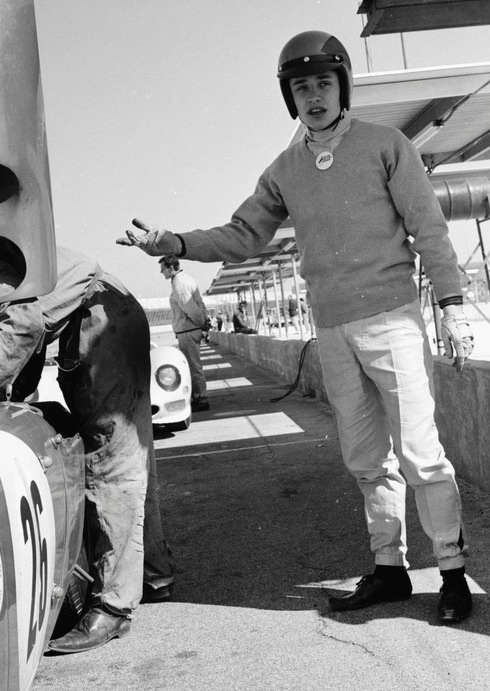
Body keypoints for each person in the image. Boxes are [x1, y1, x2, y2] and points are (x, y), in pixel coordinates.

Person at [117, 30, 475, 622]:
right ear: (290, 96)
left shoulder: (386, 145)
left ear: (343, 87)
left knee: (420, 453)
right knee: (366, 459)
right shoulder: (283, 170)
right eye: (301, 87)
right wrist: (175, 241)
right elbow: (242, 235)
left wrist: (453, 305)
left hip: (392, 321)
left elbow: (429, 228)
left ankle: (453, 574)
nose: (314, 96)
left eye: (324, 83)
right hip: (332, 330)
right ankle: (389, 569)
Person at [0, 246, 175, 653]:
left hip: (102, 323)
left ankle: (113, 607)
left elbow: (23, 325)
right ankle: (154, 574)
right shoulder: (12, 242)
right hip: (108, 315)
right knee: (130, 457)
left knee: (109, 462)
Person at [159, 254, 209, 411]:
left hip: (188, 330)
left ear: (171, 268)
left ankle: (201, 398)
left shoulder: (179, 283)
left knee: (193, 366)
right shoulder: (186, 279)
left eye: (163, 269)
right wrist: (203, 324)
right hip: (191, 330)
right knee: (194, 365)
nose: (161, 272)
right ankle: (199, 396)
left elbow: (191, 309)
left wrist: (201, 323)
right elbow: (199, 304)